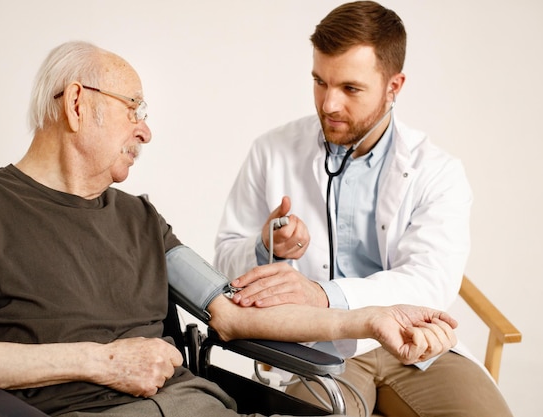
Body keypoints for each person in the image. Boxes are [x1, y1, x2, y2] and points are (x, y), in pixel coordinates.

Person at [0, 41, 458, 417]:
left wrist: (371, 319)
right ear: (79, 103)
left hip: (199, 406)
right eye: (135, 110)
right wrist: (102, 363)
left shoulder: (140, 219)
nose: (146, 130)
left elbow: (234, 314)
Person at [213, 2, 513, 417]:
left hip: (414, 345)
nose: (329, 104)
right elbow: (225, 261)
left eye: (350, 89)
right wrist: (266, 246)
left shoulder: (437, 171)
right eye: (320, 82)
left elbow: (430, 281)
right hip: (316, 348)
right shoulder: (272, 151)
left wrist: (322, 296)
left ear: (394, 86)